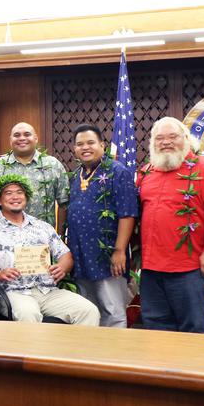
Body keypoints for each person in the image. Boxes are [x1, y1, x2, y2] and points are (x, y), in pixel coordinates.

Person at [137, 117, 204, 333]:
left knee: (192, 330)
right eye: (159, 138)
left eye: (173, 137)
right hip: (152, 270)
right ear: (153, 143)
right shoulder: (146, 173)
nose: (166, 142)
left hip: (190, 269)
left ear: (187, 140)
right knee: (155, 327)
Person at [0, 175, 99, 325]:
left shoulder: (42, 227)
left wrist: (62, 267)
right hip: (13, 292)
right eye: (8, 193)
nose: (15, 197)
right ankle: (34, 350)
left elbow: (65, 254)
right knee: (28, 314)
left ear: (26, 198)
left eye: (19, 192)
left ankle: (76, 349)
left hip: (48, 291)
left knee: (88, 310)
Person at [67, 124, 138, 328]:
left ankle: (113, 356)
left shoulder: (118, 172)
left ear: (102, 145)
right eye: (80, 144)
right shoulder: (76, 175)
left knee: (113, 310)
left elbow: (127, 214)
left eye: (90, 142)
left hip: (108, 257)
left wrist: (119, 251)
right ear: (74, 149)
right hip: (81, 256)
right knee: (88, 310)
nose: (85, 147)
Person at [0, 122, 69, 230]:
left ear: (36, 139)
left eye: (27, 134)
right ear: (10, 140)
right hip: (5, 239)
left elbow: (64, 203)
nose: (22, 138)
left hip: (43, 238)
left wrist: (59, 235)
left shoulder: (53, 165)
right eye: (17, 135)